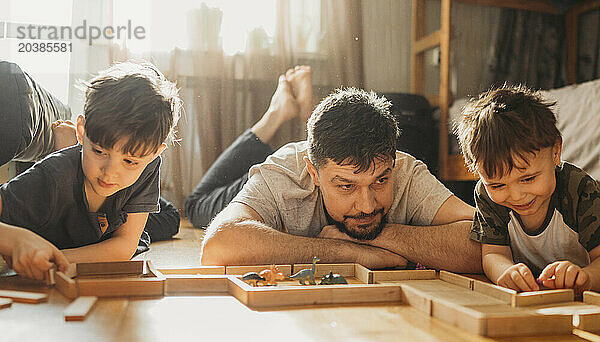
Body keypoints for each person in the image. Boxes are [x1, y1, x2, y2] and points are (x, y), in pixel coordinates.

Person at [200, 87, 481, 271]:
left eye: (380, 181)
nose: (368, 206)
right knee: (197, 203)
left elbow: (487, 239)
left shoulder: (405, 169)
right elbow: (218, 246)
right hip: (223, 201)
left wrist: (378, 237)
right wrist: (347, 252)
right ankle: (276, 113)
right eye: (346, 186)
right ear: (314, 173)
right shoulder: (283, 172)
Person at [0, 61, 182, 280]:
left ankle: (84, 152)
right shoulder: (52, 178)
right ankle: (75, 150)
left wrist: (59, 258)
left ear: (155, 153)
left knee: (171, 217)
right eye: (99, 151)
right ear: (81, 129)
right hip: (84, 220)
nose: (109, 173)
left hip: (112, 226)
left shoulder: (149, 165)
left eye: (130, 161)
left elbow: (124, 247)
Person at [455, 85, 600, 293]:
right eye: (497, 185)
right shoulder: (486, 196)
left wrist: (584, 278)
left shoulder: (578, 188)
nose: (516, 196)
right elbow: (493, 254)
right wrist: (506, 272)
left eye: (528, 178)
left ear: (555, 152)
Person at [185, 65, 313, 228]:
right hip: (299, 172)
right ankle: (309, 119)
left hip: (290, 177)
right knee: (197, 204)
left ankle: (283, 114)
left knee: (195, 205)